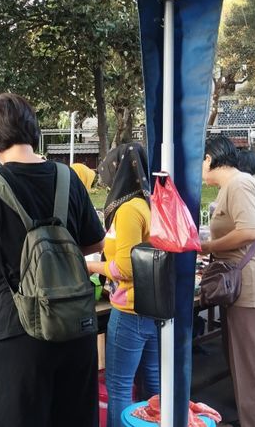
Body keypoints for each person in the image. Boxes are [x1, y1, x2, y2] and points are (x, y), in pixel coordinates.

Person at [0, 93, 105, 427]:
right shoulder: (68, 178)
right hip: (75, 323)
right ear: (33, 130)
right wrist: (56, 258)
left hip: (19, 329)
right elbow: (94, 242)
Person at [200, 136, 255, 427]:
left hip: (253, 287)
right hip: (243, 286)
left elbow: (249, 230)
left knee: (253, 373)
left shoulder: (239, 184)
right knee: (244, 368)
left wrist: (208, 246)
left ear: (209, 159)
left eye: (200, 162)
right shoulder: (237, 185)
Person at [87, 142, 158, 426]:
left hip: (130, 310)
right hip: (155, 307)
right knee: (153, 383)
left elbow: (127, 268)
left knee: (119, 386)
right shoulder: (152, 202)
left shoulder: (129, 209)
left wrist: (90, 265)